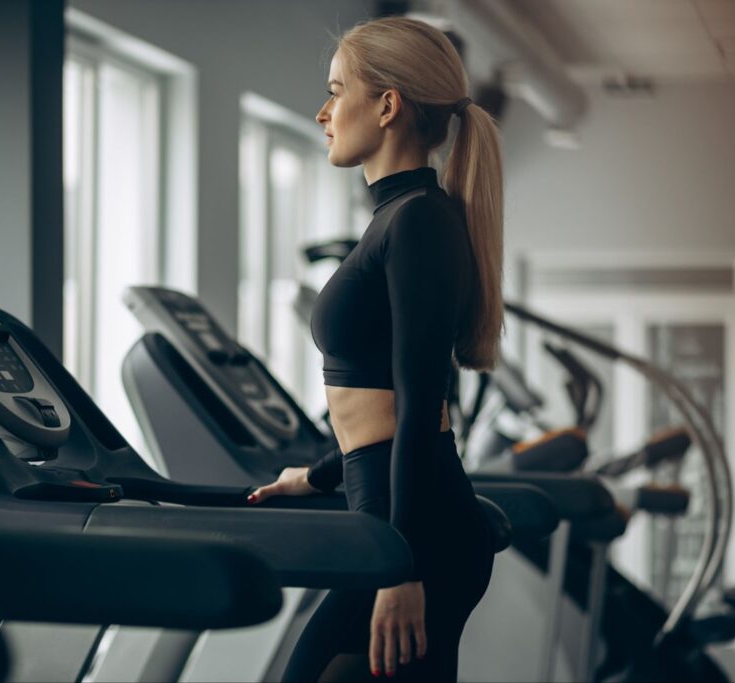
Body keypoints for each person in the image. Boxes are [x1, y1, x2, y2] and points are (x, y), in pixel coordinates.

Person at [247, 16, 504, 682]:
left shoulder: (418, 218)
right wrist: (319, 474)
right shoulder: (401, 218)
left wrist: (402, 565)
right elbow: (385, 413)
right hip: (396, 525)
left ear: (387, 105)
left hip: (412, 540)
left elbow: (422, 403)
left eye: (338, 90)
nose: (323, 111)